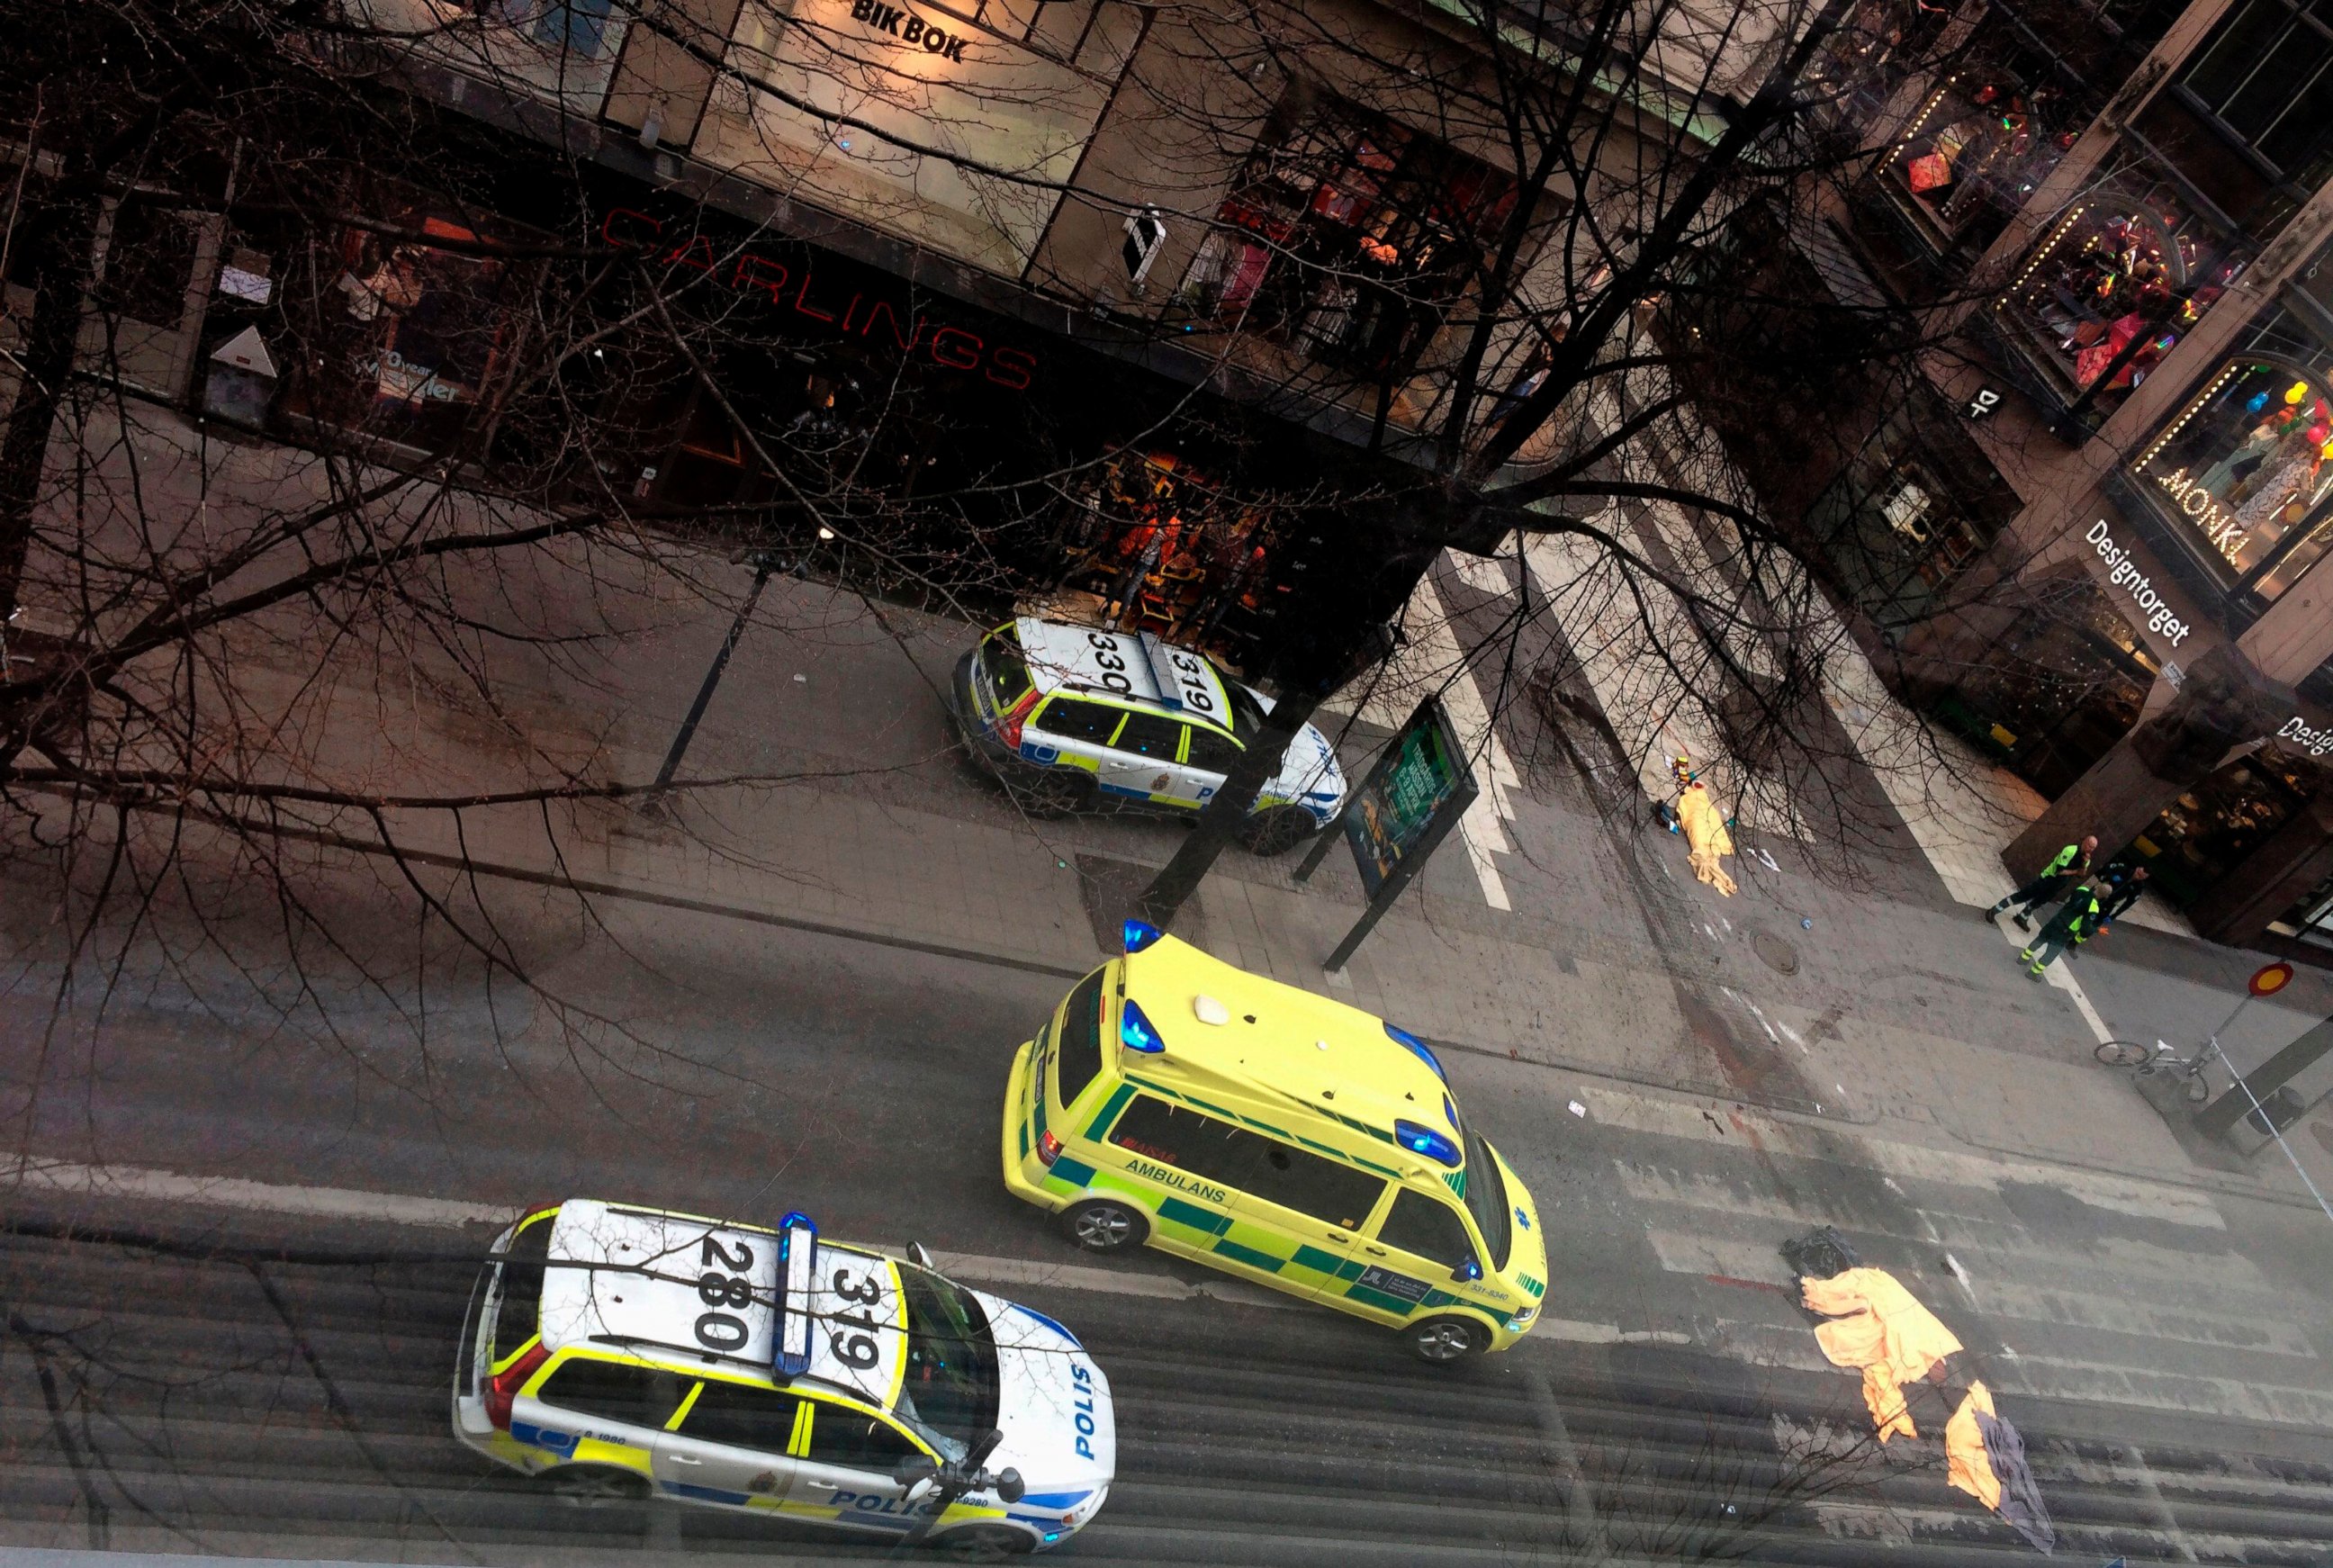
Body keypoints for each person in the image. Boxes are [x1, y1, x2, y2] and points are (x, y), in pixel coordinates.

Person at [1985, 836, 2095, 931]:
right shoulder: (2070, 850)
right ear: (2085, 841)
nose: (2090, 849)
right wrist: (2076, 871)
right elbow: (2060, 870)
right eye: (2089, 845)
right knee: (2024, 895)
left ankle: (2022, 917)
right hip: (2048, 879)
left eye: (2093, 848)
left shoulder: (2086, 859)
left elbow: (2081, 875)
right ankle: (1996, 909)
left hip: (2058, 886)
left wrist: (2084, 865)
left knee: (2039, 901)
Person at [2020, 881, 2102, 979]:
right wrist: (2096, 929)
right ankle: (2033, 973)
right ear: (2103, 897)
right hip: (2066, 929)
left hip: (2057, 919)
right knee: (2052, 952)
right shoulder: (2093, 907)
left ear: (2096, 887)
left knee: (2041, 938)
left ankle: (2023, 958)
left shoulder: (2081, 890)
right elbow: (2086, 928)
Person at [2077, 863, 2150, 944]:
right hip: (2099, 895)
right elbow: (2106, 867)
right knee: (2081, 913)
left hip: (2109, 904)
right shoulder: (2123, 869)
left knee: (2095, 923)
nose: (2137, 876)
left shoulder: (2138, 887)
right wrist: (2111, 877)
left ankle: (2076, 941)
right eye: (2138, 873)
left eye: (2141, 876)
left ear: (2145, 877)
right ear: (2137, 868)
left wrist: (2114, 916)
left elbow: (2128, 904)